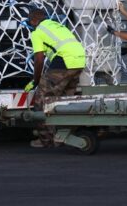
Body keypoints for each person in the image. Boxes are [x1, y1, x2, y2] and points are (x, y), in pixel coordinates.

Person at [26, 8, 86, 148]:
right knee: (66, 102)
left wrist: (36, 81)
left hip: (64, 61)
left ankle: (45, 140)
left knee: (42, 101)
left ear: (33, 20)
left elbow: (39, 59)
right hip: (79, 60)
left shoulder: (37, 32)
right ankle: (65, 135)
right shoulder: (58, 25)